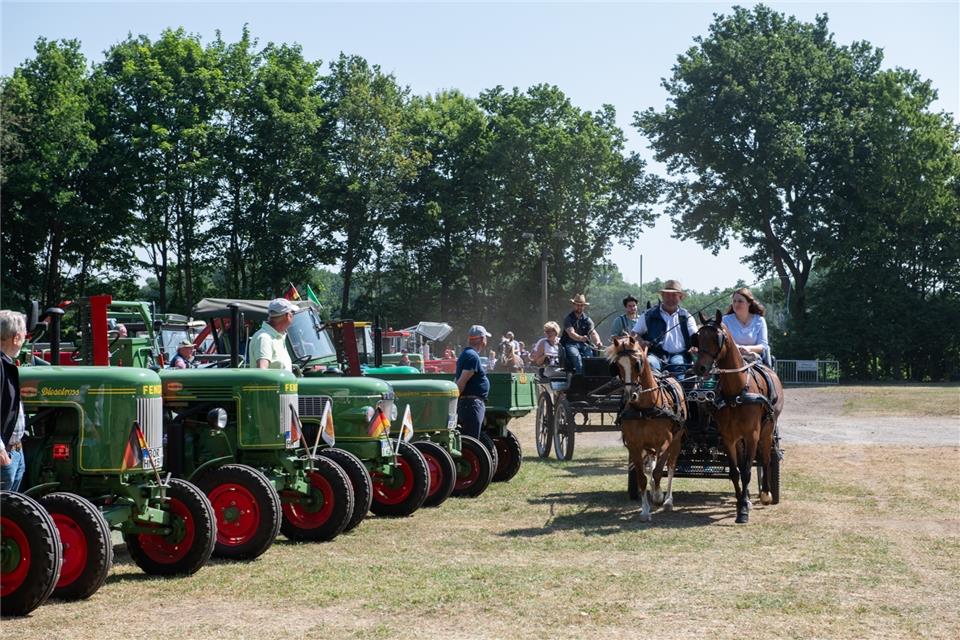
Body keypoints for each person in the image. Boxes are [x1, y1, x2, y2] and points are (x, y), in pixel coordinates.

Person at [631, 280, 699, 375]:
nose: (670, 298)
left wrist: (695, 346)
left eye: (674, 295)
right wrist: (641, 342)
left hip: (679, 355)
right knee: (650, 364)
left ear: (680, 297)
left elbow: (695, 336)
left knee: (678, 366)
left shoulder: (687, 316)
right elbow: (634, 334)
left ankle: (681, 389)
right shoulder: (648, 315)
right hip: (655, 355)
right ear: (662, 296)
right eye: (667, 295)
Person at [1, 310, 27, 492]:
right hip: (4, 455)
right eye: (25, 334)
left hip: (15, 451)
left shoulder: (7, 363)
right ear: (16, 337)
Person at [455, 325, 491, 439]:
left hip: (470, 404)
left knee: (472, 440)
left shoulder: (469, 354)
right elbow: (461, 381)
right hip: (471, 404)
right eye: (486, 337)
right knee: (471, 441)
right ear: (482, 339)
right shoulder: (472, 356)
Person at [721, 287, 771, 366]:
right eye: (734, 301)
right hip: (731, 360)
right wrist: (737, 348)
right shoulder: (725, 321)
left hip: (755, 359)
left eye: (740, 301)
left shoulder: (760, 320)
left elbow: (763, 345)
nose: (736, 304)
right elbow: (723, 342)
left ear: (749, 303)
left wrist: (748, 349)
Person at [559, 294, 602, 374]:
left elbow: (593, 332)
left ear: (584, 306)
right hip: (570, 344)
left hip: (584, 344)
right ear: (573, 305)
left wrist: (598, 341)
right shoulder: (568, 319)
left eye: (581, 305)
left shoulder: (587, 319)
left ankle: (590, 377)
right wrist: (581, 338)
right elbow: (571, 333)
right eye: (577, 305)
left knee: (589, 358)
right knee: (577, 357)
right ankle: (580, 378)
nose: (579, 307)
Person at [249, 298, 297, 371]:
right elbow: (262, 372)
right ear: (288, 316)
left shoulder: (277, 336)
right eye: (292, 313)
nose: (293, 316)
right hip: (274, 383)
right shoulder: (264, 338)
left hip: (284, 382)